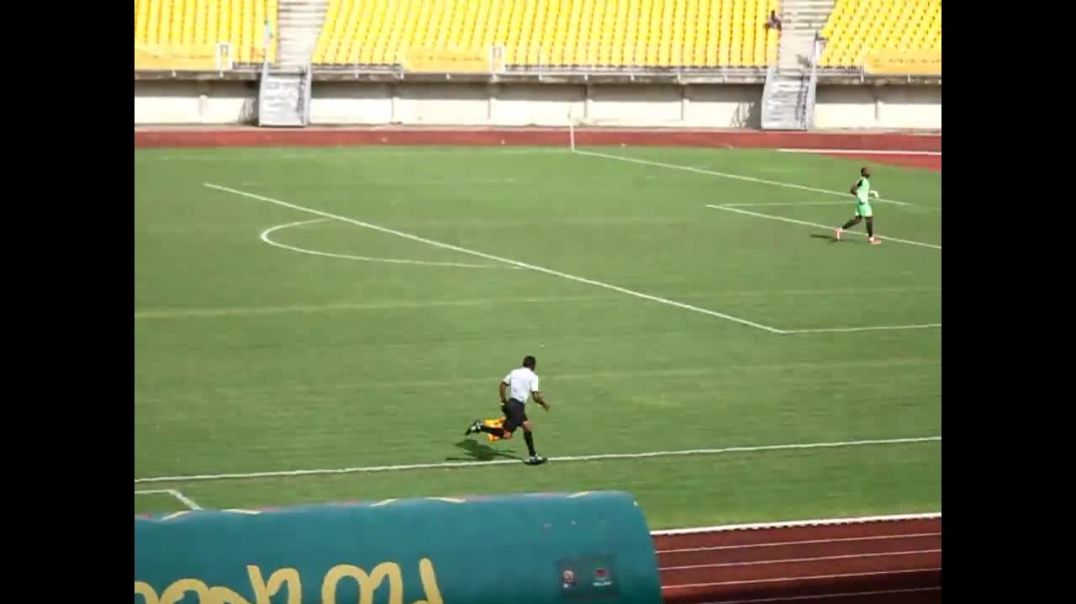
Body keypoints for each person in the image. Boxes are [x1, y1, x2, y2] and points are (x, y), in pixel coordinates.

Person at [464, 355, 550, 465]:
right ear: (533, 366)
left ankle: (533, 456)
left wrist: (503, 401)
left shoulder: (514, 372)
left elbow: (502, 385)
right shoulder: (533, 377)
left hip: (511, 404)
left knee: (527, 427)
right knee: (506, 434)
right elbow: (535, 397)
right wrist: (544, 404)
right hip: (517, 407)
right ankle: (480, 427)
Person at [835, 166, 882, 245]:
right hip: (863, 203)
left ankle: (840, 229)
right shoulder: (862, 181)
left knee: (857, 219)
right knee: (869, 219)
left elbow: (864, 191)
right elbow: (852, 190)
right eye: (867, 171)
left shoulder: (864, 181)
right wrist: (859, 196)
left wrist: (872, 192)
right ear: (863, 173)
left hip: (860, 203)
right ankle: (871, 239)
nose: (869, 172)